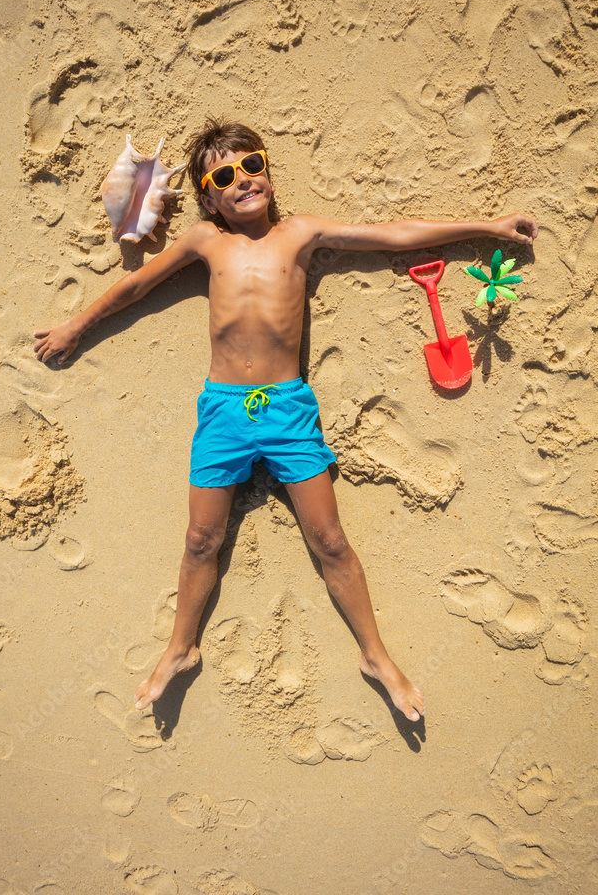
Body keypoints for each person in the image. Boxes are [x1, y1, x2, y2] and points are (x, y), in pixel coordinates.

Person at [34, 117, 537, 723]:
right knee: (201, 541)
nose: (244, 179)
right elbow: (136, 285)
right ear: (208, 197)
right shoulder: (203, 242)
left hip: (287, 408)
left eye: (252, 164)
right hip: (223, 409)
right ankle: (180, 647)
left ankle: (375, 655)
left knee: (329, 539)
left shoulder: (300, 233)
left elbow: (395, 236)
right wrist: (75, 326)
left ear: (267, 168)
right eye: (225, 175)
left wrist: (487, 227)